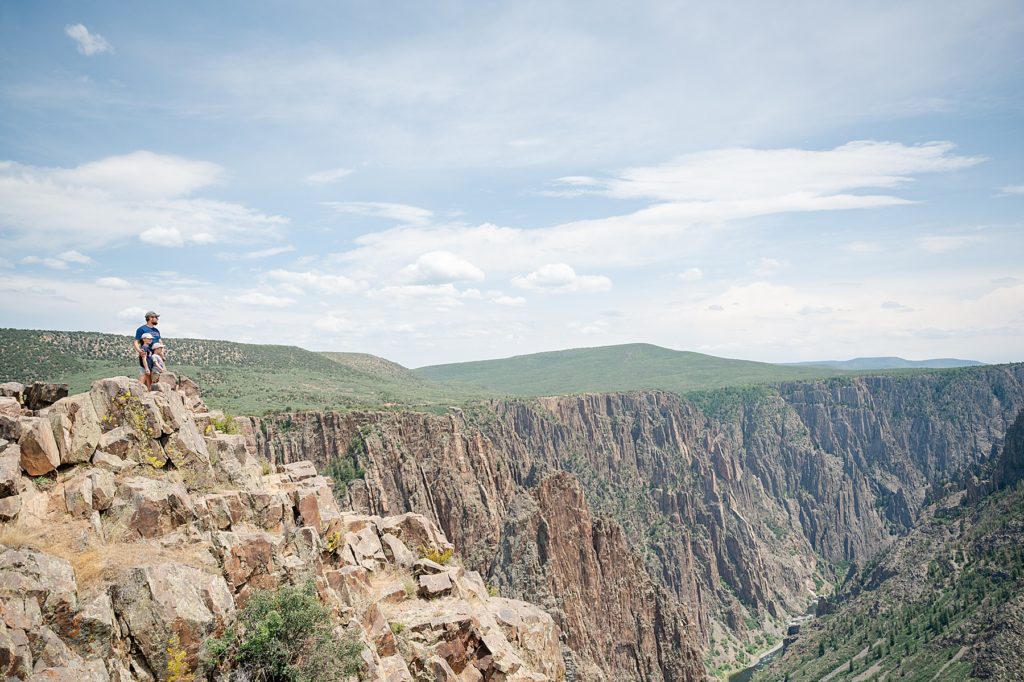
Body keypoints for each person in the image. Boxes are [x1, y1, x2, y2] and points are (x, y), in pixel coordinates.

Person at [133, 311, 161, 390]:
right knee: (145, 373)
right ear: (150, 318)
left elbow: (160, 341)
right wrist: (139, 351)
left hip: (156, 355)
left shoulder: (156, 331)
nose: (157, 319)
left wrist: (162, 353)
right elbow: (136, 341)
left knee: (153, 375)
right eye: (156, 317)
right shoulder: (142, 329)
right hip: (147, 354)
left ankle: (149, 391)